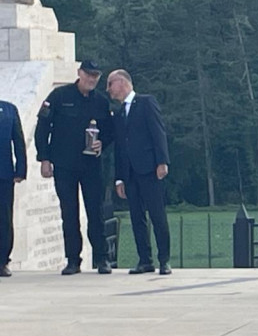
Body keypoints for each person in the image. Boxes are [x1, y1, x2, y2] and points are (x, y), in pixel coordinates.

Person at [35, 61, 114, 275]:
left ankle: (102, 258)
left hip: (91, 165)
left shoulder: (101, 102)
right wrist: (44, 158)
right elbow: (42, 127)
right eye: (88, 75)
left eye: (96, 76)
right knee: (69, 213)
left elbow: (109, 131)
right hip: (64, 165)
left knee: (95, 212)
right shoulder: (59, 96)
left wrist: (102, 144)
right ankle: (72, 259)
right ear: (79, 73)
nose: (92, 80)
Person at [106, 70, 172, 275]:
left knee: (157, 214)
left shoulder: (146, 103)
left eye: (110, 84)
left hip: (149, 168)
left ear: (122, 82)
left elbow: (157, 132)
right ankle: (145, 259)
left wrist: (162, 161)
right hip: (129, 173)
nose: (108, 90)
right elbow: (119, 146)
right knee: (136, 217)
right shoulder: (118, 113)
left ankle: (164, 259)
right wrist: (119, 178)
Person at [0, 99, 26, 278]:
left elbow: (18, 140)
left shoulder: (9, 110)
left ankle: (2, 261)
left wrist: (21, 169)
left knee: (4, 219)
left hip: (4, 173)